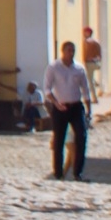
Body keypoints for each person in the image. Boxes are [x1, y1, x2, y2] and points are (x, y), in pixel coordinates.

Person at [46, 40, 92, 180]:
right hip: (60, 107)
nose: (71, 53)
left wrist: (89, 108)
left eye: (73, 50)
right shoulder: (54, 67)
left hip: (76, 106)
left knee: (81, 136)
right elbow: (47, 89)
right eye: (68, 50)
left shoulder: (79, 68)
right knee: (59, 140)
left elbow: (85, 89)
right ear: (63, 51)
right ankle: (58, 172)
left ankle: (78, 172)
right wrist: (55, 102)